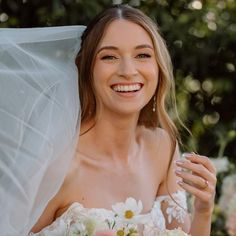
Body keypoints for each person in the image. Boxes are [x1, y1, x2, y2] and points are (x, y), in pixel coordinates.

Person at [0, 4, 216, 236]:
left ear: (158, 66)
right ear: (86, 68)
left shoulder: (162, 147)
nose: (128, 70)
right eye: (109, 56)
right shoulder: (56, 167)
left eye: (142, 55)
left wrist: (204, 211)